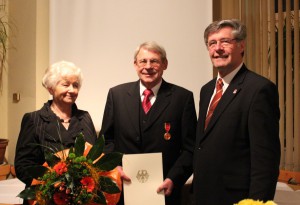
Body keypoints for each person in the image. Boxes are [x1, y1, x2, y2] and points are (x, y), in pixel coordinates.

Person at [192, 19, 281, 205]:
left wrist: (257, 203)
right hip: (204, 194)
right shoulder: (206, 90)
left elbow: (265, 159)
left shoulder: (259, 89)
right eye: (212, 43)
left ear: (241, 45)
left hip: (236, 198)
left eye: (225, 42)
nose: (218, 48)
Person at [100, 41, 197, 205]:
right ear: (135, 64)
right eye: (143, 61)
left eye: (154, 61)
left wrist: (174, 179)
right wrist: (113, 169)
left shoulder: (182, 98)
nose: (148, 66)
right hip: (123, 189)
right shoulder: (116, 95)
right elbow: (106, 141)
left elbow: (190, 148)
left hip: (165, 191)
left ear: (165, 64)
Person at [15, 61, 97, 194]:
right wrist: (51, 185)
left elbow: (95, 158)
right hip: (45, 197)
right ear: (51, 88)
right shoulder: (33, 119)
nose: (72, 90)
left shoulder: (85, 117)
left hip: (82, 197)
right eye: (65, 84)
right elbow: (23, 166)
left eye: (75, 85)